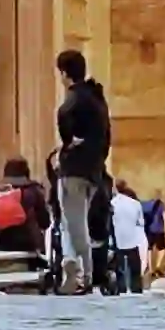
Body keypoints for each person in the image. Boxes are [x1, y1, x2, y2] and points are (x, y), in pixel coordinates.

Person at [52, 47, 114, 288]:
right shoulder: (98, 98)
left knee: (75, 223)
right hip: (93, 170)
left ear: (65, 73)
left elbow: (64, 116)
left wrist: (69, 143)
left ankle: (83, 275)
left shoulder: (74, 98)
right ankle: (72, 262)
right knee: (73, 222)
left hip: (74, 170)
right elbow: (106, 136)